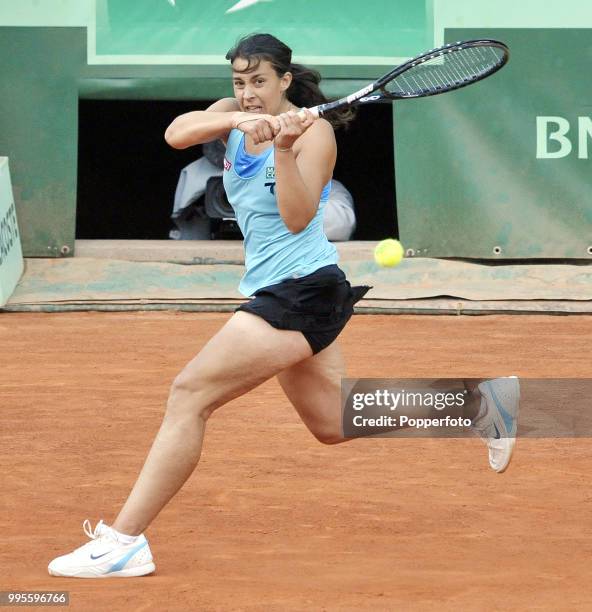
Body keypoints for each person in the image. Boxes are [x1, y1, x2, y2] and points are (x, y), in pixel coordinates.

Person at [47, 33, 520, 578]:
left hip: (302, 289)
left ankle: (124, 540)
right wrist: (235, 122)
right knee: (332, 421)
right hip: (282, 288)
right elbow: (176, 133)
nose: (248, 93)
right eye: (239, 83)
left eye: (259, 83)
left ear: (285, 81)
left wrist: (282, 148)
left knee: (189, 394)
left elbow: (298, 217)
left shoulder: (315, 133)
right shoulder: (230, 112)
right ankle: (481, 403)